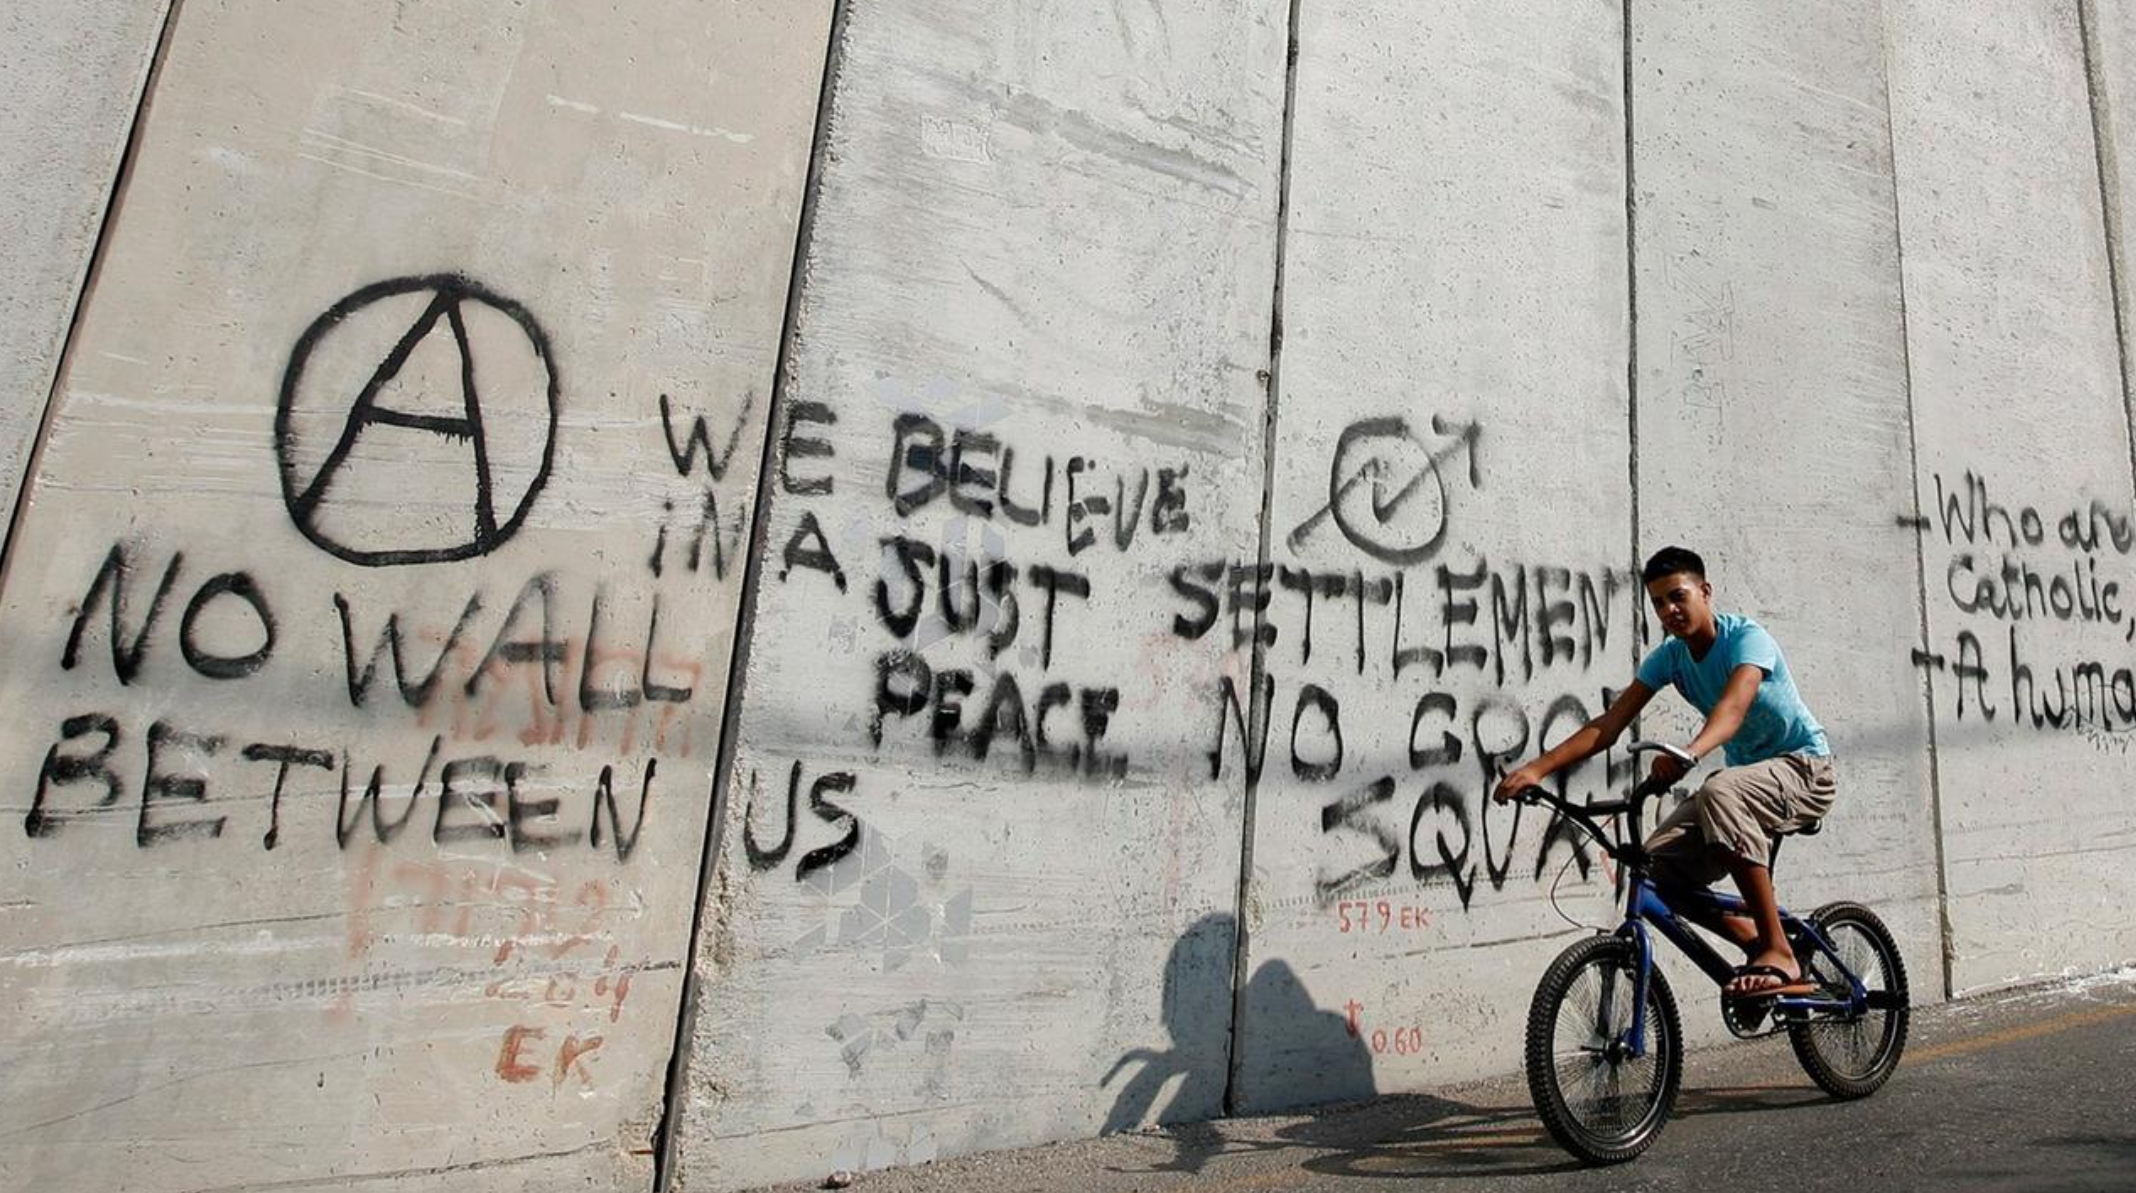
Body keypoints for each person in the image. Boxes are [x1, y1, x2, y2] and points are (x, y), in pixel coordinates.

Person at [1491, 546, 1836, 997]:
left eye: (1678, 597)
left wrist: (1689, 753)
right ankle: (1758, 946)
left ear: (1705, 591)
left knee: (1719, 790)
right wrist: (1537, 768)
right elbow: (1608, 726)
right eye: (1657, 603)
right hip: (1747, 786)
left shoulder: (1747, 639)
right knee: (1653, 871)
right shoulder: (1670, 659)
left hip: (1804, 769)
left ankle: (1778, 950)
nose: (1669, 611)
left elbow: (1732, 710)